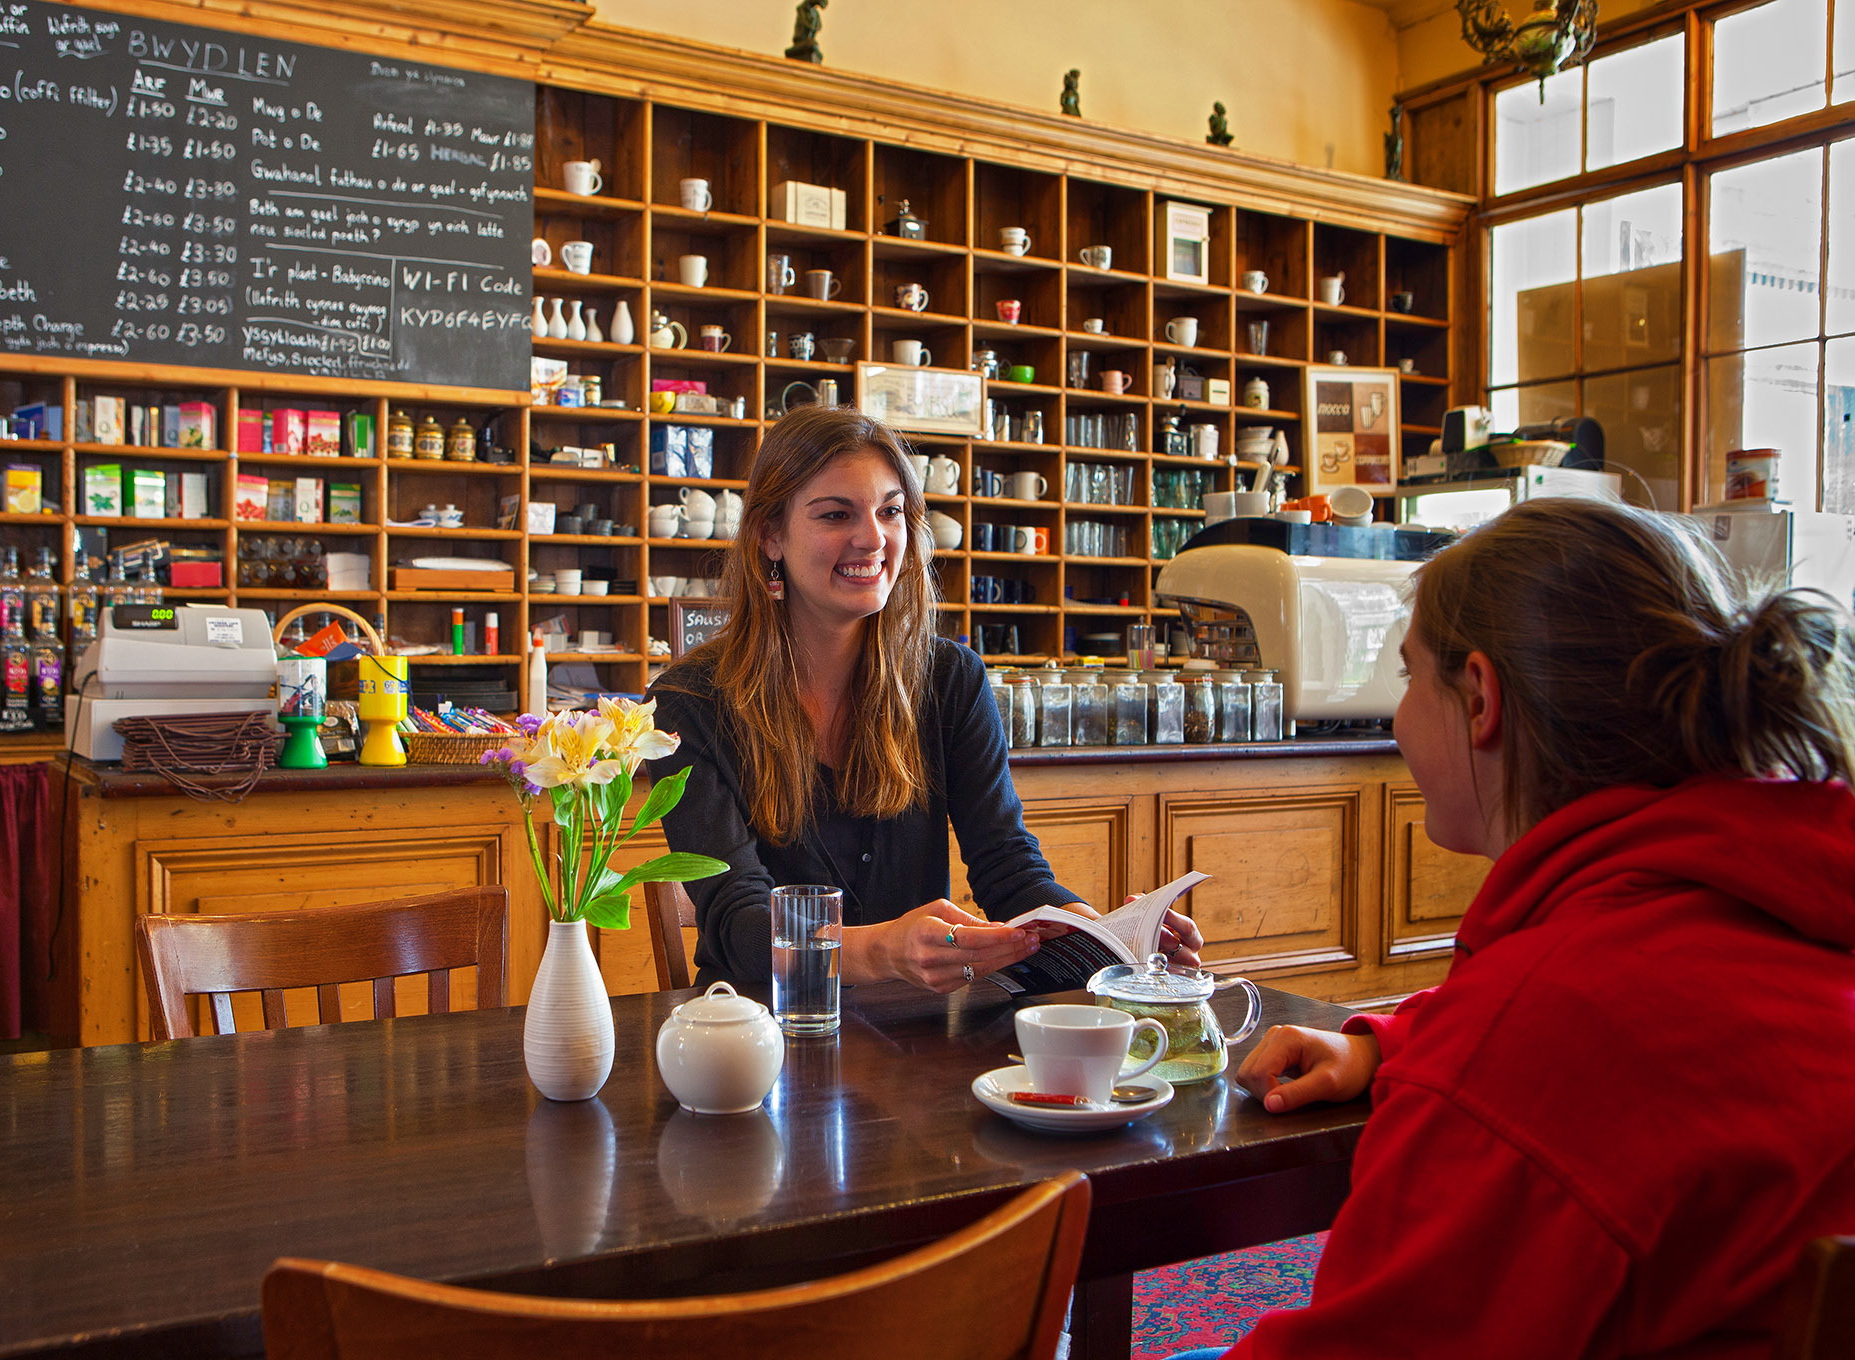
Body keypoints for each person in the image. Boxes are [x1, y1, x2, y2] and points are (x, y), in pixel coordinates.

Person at [1209, 498, 1855, 1359]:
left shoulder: (1538, 1038)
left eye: (1406, 680)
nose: (1397, 724)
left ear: (1480, 697)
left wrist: (1462, 1067)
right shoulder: (1787, 902)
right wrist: (1398, 1044)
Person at [649, 405, 1202, 993]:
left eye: (891, 511)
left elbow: (1009, 871)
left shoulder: (950, 681)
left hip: (918, 1038)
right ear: (770, 536)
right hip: (756, 1039)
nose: (872, 538)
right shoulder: (690, 705)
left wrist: (1107, 937)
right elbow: (741, 923)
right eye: (836, 514)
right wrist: (882, 950)